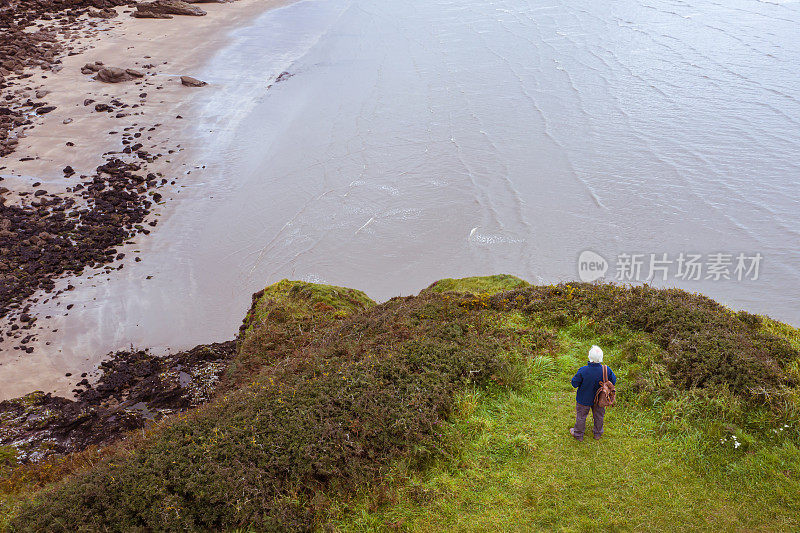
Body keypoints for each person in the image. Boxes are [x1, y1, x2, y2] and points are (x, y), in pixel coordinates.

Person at [569, 345, 616, 441]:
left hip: (583, 399)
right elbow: (613, 382)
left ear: (589, 356)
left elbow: (574, 383)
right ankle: (597, 434)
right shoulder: (606, 370)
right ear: (601, 357)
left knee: (581, 416)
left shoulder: (583, 370)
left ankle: (578, 434)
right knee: (599, 416)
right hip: (600, 399)